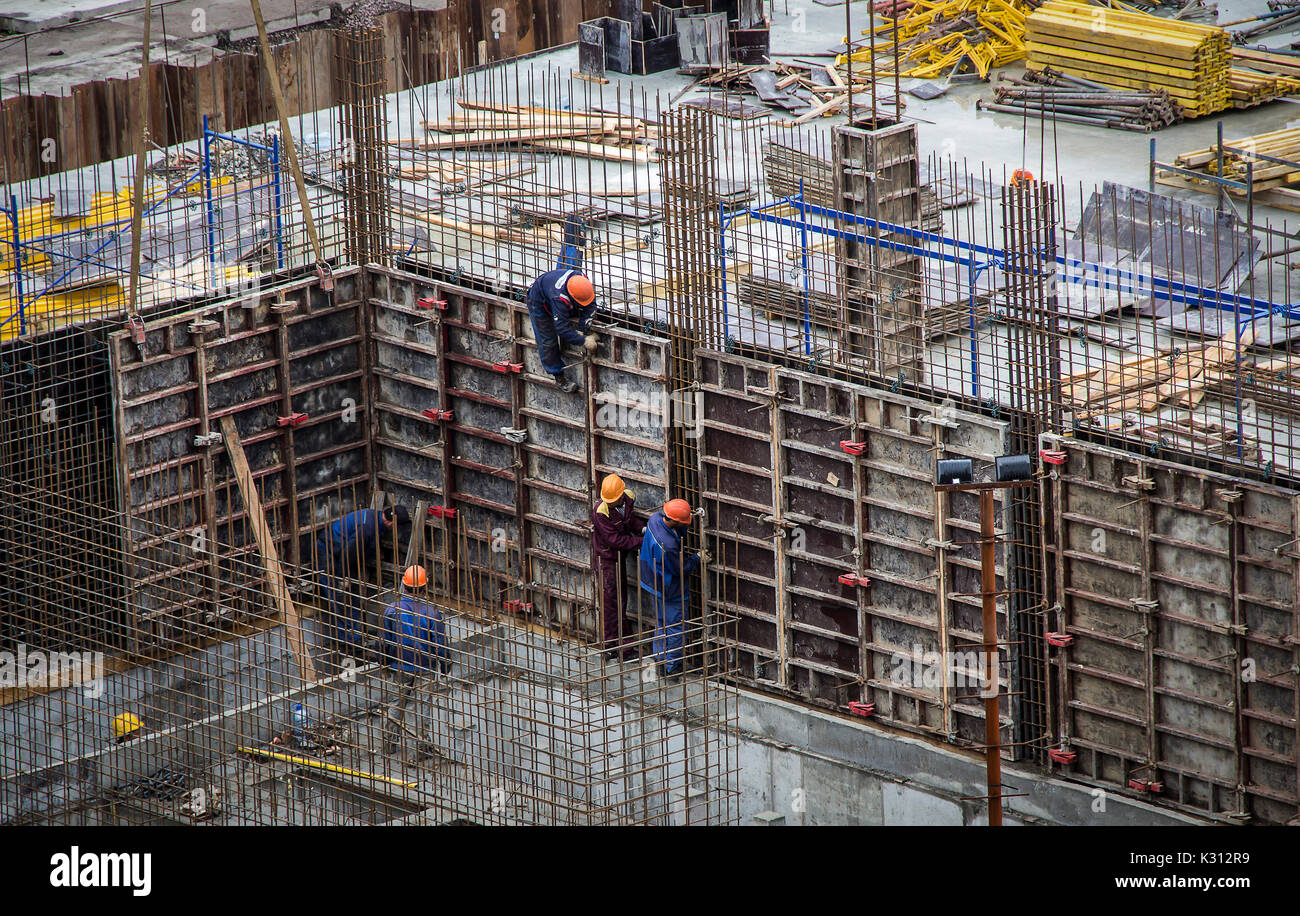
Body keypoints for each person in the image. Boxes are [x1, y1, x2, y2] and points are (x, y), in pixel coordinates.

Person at [315, 505, 409, 665]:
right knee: (341, 598)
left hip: (342, 553)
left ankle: (355, 638)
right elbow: (349, 552)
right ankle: (350, 645)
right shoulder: (367, 528)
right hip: (330, 552)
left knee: (354, 598)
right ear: (392, 522)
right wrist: (342, 577)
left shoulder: (375, 520)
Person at [380, 565, 450, 755]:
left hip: (400, 665)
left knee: (397, 703)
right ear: (424, 588)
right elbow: (440, 644)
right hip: (425, 666)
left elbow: (385, 640)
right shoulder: (432, 614)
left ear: (404, 586)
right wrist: (445, 665)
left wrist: (385, 662)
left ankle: (388, 743)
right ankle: (420, 748)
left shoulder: (392, 610)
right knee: (422, 705)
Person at [639, 498, 699, 679]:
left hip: (652, 580)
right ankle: (672, 667)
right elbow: (681, 569)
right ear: (674, 521)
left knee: (661, 623)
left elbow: (676, 529)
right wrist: (697, 559)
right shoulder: (669, 545)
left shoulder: (654, 519)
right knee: (675, 627)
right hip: (669, 588)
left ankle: (659, 659)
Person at [591, 473, 646, 659]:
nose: (612, 503)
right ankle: (612, 646)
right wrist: (641, 541)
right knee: (610, 604)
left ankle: (622, 647)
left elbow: (629, 521)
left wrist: (643, 528)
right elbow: (616, 540)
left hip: (620, 557)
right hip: (607, 560)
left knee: (621, 602)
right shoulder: (601, 512)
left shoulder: (628, 498)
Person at [526, 267, 598, 393]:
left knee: (578, 309)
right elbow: (562, 329)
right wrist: (583, 340)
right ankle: (558, 376)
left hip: (556, 294)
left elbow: (591, 306)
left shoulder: (582, 281)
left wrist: (581, 329)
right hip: (540, 302)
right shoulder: (559, 298)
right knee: (547, 341)